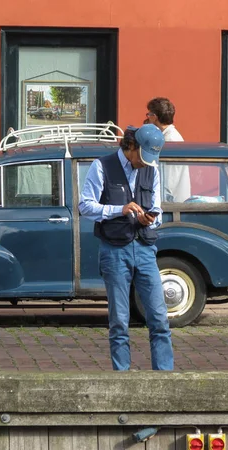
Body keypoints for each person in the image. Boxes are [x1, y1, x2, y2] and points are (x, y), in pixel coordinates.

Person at [78, 124, 174, 371]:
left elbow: (158, 209)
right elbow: (85, 206)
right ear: (130, 147)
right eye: (143, 157)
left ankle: (164, 378)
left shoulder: (152, 169)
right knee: (119, 320)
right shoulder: (101, 166)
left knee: (160, 318)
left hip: (145, 248)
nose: (146, 163)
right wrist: (118, 210)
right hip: (114, 250)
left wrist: (150, 218)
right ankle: (122, 378)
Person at [145, 97, 191, 202]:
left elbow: (168, 180)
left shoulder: (170, 141)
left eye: (149, 114)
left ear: (154, 117)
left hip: (171, 204)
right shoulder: (168, 137)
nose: (147, 118)